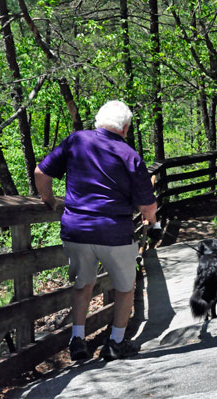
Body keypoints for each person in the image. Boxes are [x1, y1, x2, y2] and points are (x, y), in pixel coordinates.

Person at [34, 100, 161, 361]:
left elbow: (41, 173)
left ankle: (77, 340)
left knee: (83, 284)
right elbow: (147, 206)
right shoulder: (130, 155)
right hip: (114, 233)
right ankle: (114, 343)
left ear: (97, 121)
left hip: (77, 230)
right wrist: (153, 220)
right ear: (125, 128)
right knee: (125, 287)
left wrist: (49, 201)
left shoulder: (76, 141)